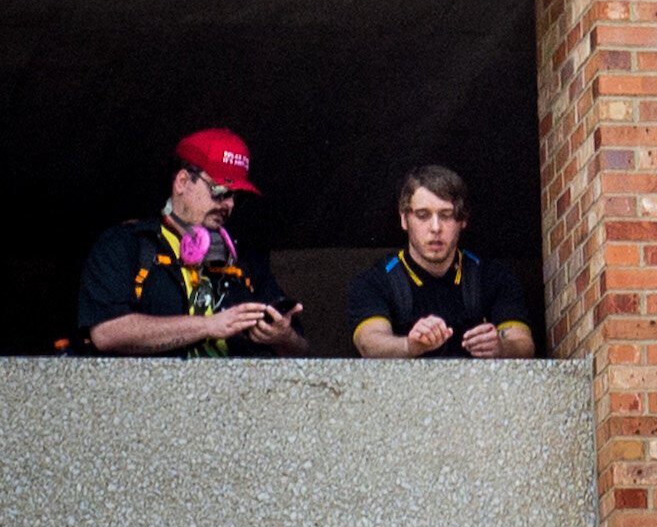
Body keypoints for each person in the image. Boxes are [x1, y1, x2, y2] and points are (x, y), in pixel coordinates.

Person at [77, 128, 307, 357]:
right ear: (182, 181)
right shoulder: (125, 244)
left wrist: (283, 337)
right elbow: (106, 332)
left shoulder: (245, 259)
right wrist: (208, 326)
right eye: (220, 192)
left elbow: (302, 351)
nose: (229, 205)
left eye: (236, 196)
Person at [347, 165, 535, 359]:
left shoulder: (493, 276)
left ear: (463, 220)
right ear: (404, 219)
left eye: (446, 215)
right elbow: (369, 343)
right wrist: (409, 346)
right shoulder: (375, 281)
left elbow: (524, 344)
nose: (435, 227)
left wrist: (500, 348)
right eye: (423, 215)